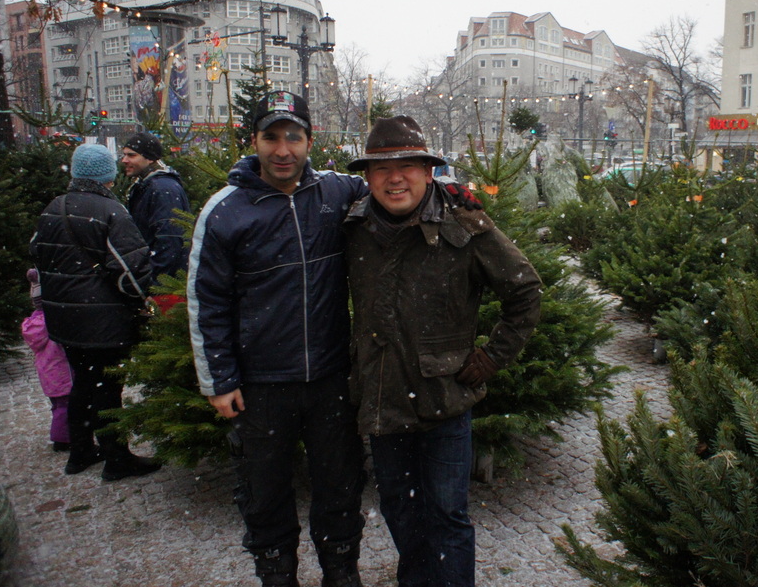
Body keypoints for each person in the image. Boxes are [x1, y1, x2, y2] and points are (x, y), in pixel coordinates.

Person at [343, 116, 542, 587]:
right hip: (382, 400)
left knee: (447, 516)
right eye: (382, 167)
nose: (395, 178)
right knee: (399, 509)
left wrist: (492, 357)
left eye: (409, 165)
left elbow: (525, 291)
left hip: (445, 403)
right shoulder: (352, 228)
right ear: (367, 176)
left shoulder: (465, 225)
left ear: (430, 171)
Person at [188, 91, 368, 587]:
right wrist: (218, 381)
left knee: (340, 486)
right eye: (271, 137)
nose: (283, 149)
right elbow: (207, 302)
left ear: (310, 140)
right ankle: (276, 574)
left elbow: (395, 186)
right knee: (264, 493)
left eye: (294, 136)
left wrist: (452, 191)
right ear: (254, 142)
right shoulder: (226, 211)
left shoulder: (336, 192)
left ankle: (341, 572)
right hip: (261, 384)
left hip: (330, 376)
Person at [29, 143, 162, 481]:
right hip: (102, 321)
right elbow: (130, 271)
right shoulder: (110, 211)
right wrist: (139, 300)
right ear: (108, 176)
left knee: (82, 383)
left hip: (63, 319)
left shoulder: (54, 208)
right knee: (107, 388)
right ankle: (117, 460)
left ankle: (80, 452)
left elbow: (36, 252)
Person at [120, 130, 191, 283]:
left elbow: (170, 240)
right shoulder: (146, 186)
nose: (124, 160)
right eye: (124, 154)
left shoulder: (163, 189)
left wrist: (155, 283)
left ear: (150, 158)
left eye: (132, 155)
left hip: (165, 286)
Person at [20, 268, 71, 452]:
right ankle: (62, 440)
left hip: (47, 373)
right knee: (65, 407)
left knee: (58, 406)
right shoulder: (53, 322)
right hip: (62, 373)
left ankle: (63, 436)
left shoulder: (35, 321)